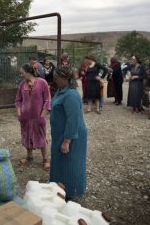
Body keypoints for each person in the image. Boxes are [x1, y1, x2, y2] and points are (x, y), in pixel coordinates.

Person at [49, 66, 87, 200]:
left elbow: (73, 119)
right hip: (60, 134)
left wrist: (67, 141)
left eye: (56, 77)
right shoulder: (61, 90)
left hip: (71, 135)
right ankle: (59, 189)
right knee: (60, 162)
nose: (54, 80)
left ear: (65, 78)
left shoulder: (71, 95)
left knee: (71, 163)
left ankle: (71, 192)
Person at [15, 63, 51, 171]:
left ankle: (45, 160)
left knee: (42, 137)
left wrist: (42, 116)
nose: (21, 75)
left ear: (28, 72)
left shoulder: (42, 82)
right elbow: (18, 100)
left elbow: (47, 100)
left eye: (22, 73)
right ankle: (29, 157)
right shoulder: (22, 85)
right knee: (27, 136)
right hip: (25, 118)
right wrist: (19, 114)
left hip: (38, 117)